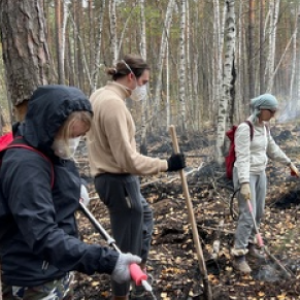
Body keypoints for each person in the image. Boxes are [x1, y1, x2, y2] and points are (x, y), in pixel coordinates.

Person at [0, 85, 142, 300]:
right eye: (70, 136)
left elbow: (57, 179)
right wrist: (106, 260)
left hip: (56, 267)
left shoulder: (49, 150)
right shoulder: (25, 166)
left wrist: (74, 190)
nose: (74, 143)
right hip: (34, 280)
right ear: (51, 126)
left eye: (79, 136)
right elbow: (42, 234)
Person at [87, 54, 186, 300]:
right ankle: (123, 293)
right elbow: (127, 160)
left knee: (145, 217)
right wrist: (166, 164)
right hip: (119, 182)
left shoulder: (99, 95)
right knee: (126, 249)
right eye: (144, 82)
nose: (144, 87)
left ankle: (138, 275)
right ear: (131, 77)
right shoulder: (113, 104)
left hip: (109, 180)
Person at [231, 93, 300, 273]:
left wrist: (289, 163)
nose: (274, 115)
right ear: (262, 110)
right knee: (248, 214)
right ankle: (239, 254)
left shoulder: (264, 127)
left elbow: (272, 148)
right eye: (272, 111)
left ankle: (252, 244)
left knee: (259, 211)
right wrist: (244, 183)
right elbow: (243, 157)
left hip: (260, 173)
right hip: (246, 174)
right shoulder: (245, 129)